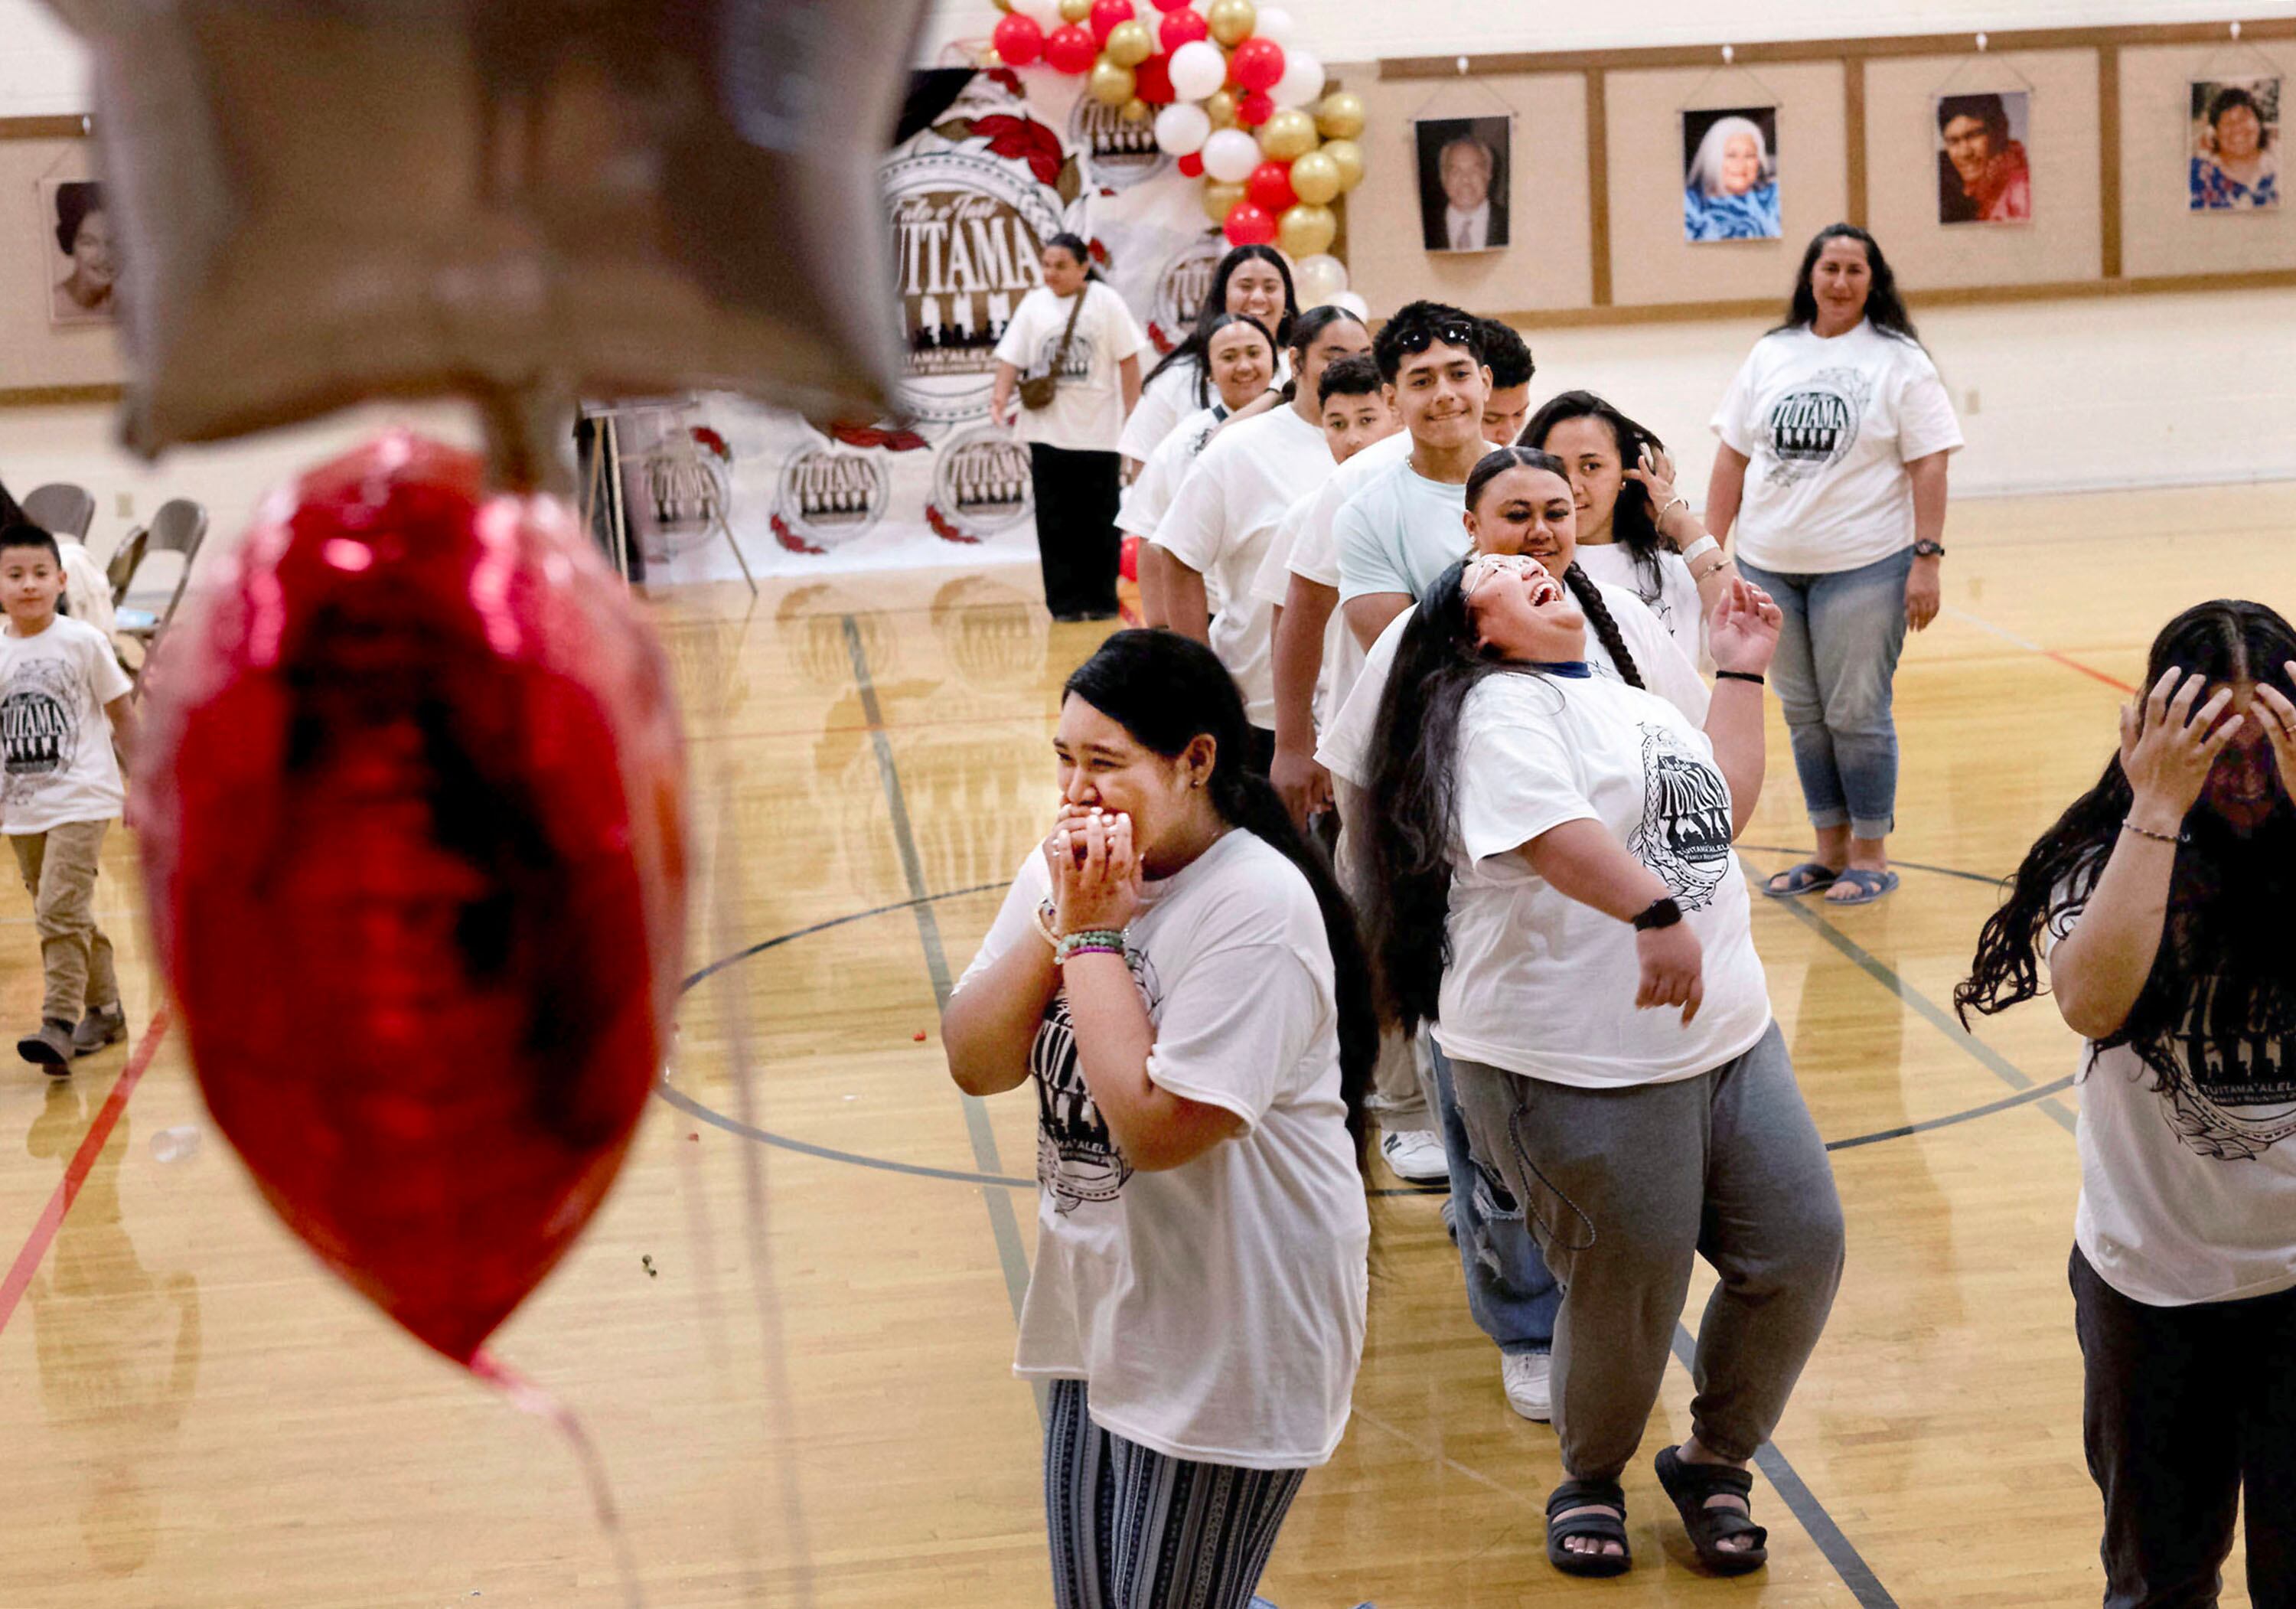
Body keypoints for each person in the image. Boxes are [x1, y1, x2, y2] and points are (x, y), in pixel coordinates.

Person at [1363, 548, 1841, 1579]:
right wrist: (1652, 910)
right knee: (1632, 1285)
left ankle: (1713, 1457)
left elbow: (1720, 812)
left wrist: (1743, 671)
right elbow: (1555, 835)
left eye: (1541, 553)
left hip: (1725, 1036)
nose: (1534, 562)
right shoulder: (1491, 705)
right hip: (1571, 1060)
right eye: (1496, 567)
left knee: (1800, 1248)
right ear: (1469, 628)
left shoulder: (1630, 700)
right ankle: (1590, 1476)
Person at [941, 628, 1374, 1609]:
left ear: (1197, 761)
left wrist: (1092, 933)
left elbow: (1155, 1129)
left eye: (1105, 763)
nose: (1075, 789)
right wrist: (1063, 919)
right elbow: (975, 1059)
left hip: (1232, 1330)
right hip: (1100, 1311)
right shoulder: (1070, 870)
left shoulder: (1258, 904)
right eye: (1064, 758)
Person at [1319, 447, 1713, 1423]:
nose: (1540, 530)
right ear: (1470, 526)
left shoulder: (1617, 620)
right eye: (1515, 515)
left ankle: (1595, 1314)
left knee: (1591, 1157)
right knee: (1495, 1164)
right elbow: (1359, 778)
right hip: (1483, 948)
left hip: (1614, 956)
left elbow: (1691, 748)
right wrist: (1382, 910)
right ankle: (1527, 1328)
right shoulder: (1423, 632)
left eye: (1556, 509)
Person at [1957, 600, 2296, 1609]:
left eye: (2265, 746)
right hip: (2153, 1287)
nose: (2241, 776)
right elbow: (2090, 1000)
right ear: (2158, 730)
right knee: (2159, 1580)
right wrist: (2158, 804)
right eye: (2212, 746)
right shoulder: (2103, 853)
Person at [1706, 224, 1962, 905]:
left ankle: (1871, 852)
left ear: (1872, 281)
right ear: (1810, 277)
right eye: (1830, 267)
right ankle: (1828, 850)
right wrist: (1709, 552)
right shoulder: (1772, 353)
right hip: (1768, 565)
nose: (1841, 281)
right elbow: (1732, 456)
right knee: (1805, 713)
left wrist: (1926, 559)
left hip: (1865, 564)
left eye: (1855, 269)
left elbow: (1929, 461)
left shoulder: (1899, 359)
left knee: (1856, 711)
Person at [1146, 306, 1371, 773]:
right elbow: (1177, 557)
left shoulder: (1394, 447)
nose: (1352, 366)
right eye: (1334, 355)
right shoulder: (1238, 448)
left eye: (1364, 354)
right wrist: (1203, 682)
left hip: (1363, 704)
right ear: (1296, 362)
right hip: (1259, 708)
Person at [0, 525, 135, 1069]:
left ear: (61, 581)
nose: (28, 585)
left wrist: (143, 785)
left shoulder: (84, 642)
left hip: (83, 798)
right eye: (14, 576)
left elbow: (123, 715)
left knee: (58, 907)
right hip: (22, 806)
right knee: (64, 912)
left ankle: (58, 1021)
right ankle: (106, 1010)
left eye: (39, 574)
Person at [993, 233, 1146, 623]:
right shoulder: (1033, 304)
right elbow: (1011, 357)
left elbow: (1129, 359)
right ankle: (1063, 602)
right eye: (1046, 264)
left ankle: (1100, 599)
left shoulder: (1106, 302)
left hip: (1098, 432)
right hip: (1046, 432)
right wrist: (999, 398)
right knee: (1055, 522)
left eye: (1060, 265)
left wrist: (1133, 411)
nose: (1051, 273)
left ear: (1083, 268)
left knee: (1100, 519)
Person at [1524, 390, 1736, 668]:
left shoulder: (1673, 572)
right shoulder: (1522, 574)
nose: (1573, 486)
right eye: (1556, 467)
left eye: (1591, 466)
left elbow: (1740, 636)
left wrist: (1679, 520)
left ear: (1626, 474)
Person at [1121, 314, 1278, 625]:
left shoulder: (1304, 428)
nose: (1244, 366)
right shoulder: (1180, 445)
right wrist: (1161, 630)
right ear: (1209, 372)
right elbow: (1150, 537)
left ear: (1274, 360)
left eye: (1254, 353)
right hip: (1214, 615)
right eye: (1229, 357)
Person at [1120, 246, 1296, 470]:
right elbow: (1143, 462)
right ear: (1222, 296)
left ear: (1286, 300)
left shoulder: (1301, 368)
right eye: (1246, 286)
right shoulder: (1179, 376)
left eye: (1270, 287)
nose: (1258, 297)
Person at [1936, 94, 2032, 224]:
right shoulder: (1962, 196)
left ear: (2001, 129)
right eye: (1953, 141)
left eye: (1974, 135)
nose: (1965, 153)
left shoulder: (2023, 195)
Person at [1684, 115, 1782, 242]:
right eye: (1731, 155)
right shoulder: (1690, 205)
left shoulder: (1774, 197)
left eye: (1750, 156)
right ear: (1713, 159)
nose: (1741, 164)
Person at [2190, 85, 2281, 211]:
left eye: (2244, 118)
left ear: (2259, 123)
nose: (2237, 128)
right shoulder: (2196, 175)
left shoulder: (2283, 165)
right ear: (2215, 132)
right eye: (2227, 122)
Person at [1425, 132, 1506, 252]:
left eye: (1474, 170)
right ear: (1443, 177)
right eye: (1456, 172)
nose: (1466, 180)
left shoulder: (1512, 223)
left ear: (1488, 174)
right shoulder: (1422, 228)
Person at [50, 183, 116, 323]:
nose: (104, 256)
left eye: (112, 243)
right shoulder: (55, 303)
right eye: (89, 243)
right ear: (69, 242)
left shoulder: (132, 304)